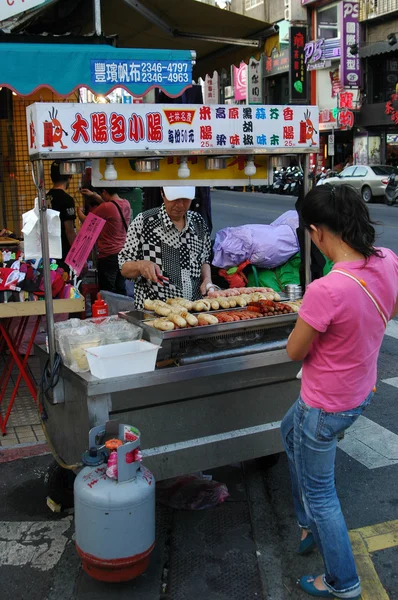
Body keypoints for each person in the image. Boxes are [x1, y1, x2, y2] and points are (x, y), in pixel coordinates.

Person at [281, 184, 398, 600]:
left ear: (318, 232)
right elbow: (390, 309)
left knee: (322, 493)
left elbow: (295, 350)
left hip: (325, 405)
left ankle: (342, 582)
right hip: (359, 391)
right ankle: (309, 522)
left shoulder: (326, 289)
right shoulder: (386, 261)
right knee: (286, 429)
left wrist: (310, 319)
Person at [118, 186, 213, 309]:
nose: (180, 205)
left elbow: (204, 260)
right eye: (174, 199)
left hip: (193, 310)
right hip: (155, 313)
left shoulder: (198, 222)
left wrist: (207, 279)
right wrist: (140, 266)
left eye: (185, 199)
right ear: (162, 194)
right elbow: (123, 266)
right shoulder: (144, 222)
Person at [78, 187, 131, 295]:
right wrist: (94, 195)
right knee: (120, 288)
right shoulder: (126, 204)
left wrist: (78, 210)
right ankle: (122, 310)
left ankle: (110, 312)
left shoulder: (106, 207)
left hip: (108, 255)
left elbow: (86, 220)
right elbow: (112, 206)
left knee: (108, 291)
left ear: (105, 192)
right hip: (123, 254)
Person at [46, 161, 76, 270]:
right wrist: (77, 255)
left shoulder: (45, 197)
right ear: (69, 176)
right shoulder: (67, 199)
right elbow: (69, 231)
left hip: (48, 251)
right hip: (64, 253)